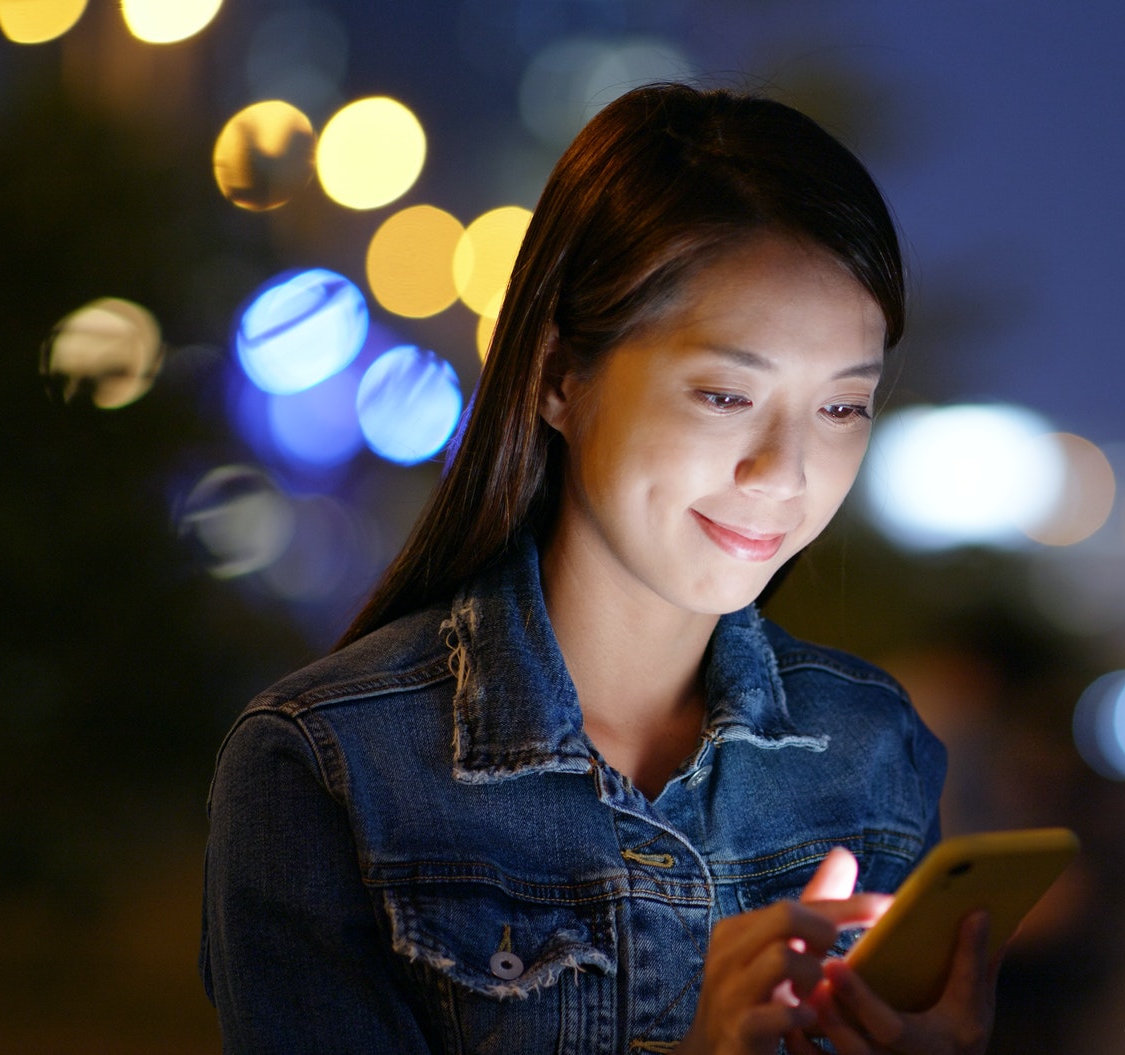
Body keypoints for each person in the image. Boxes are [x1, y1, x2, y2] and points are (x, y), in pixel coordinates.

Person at [202, 84, 1000, 1054]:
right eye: (723, 392)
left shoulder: (869, 748)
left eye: (840, 408)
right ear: (555, 376)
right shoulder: (335, 765)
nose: (782, 472)